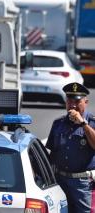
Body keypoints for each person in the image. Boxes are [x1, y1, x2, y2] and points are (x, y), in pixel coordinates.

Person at [46, 82, 95, 213]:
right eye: (69, 100)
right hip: (60, 180)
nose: (72, 105)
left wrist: (83, 123)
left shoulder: (92, 122)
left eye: (77, 101)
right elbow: (52, 153)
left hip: (83, 184)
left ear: (86, 102)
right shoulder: (58, 123)